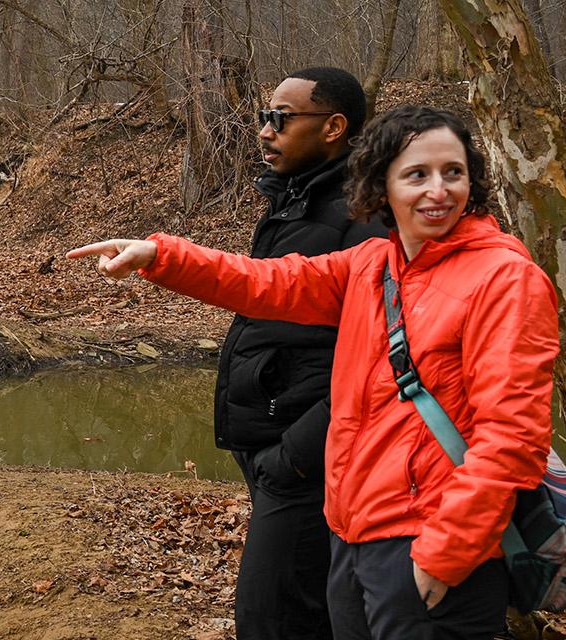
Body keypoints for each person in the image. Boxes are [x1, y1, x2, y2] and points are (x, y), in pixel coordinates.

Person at [68, 106, 558, 639]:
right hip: (351, 536)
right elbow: (266, 281)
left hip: (432, 544)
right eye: (417, 174)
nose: (438, 190)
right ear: (381, 186)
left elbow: (512, 439)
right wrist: (159, 255)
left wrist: (448, 552)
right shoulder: (372, 264)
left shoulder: (504, 277)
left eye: (453, 172)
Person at [207, 66, 387, 640]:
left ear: (334, 126)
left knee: (272, 620)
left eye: (280, 118)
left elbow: (379, 359)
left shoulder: (364, 218)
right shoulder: (301, 198)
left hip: (309, 457)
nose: (264, 130)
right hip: (276, 446)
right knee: (312, 609)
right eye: (265, 117)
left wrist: (296, 456)